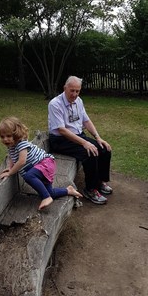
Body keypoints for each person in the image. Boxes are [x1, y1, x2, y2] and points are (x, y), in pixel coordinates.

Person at [48, 76, 112, 205]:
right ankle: (90, 189)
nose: (74, 94)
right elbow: (62, 130)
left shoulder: (79, 101)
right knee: (90, 153)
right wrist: (84, 143)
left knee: (104, 148)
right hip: (61, 140)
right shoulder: (55, 104)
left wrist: (98, 137)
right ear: (65, 88)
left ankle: (100, 181)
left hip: (77, 136)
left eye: (77, 91)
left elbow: (86, 120)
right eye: (72, 91)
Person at [0, 116, 82, 210]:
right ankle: (68, 190)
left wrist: (10, 172)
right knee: (51, 193)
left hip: (44, 163)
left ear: (16, 134)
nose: (5, 139)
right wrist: (10, 167)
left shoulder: (21, 144)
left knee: (29, 176)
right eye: (2, 136)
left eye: (8, 136)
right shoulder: (11, 146)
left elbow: (21, 161)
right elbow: (13, 157)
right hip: (38, 168)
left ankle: (46, 197)